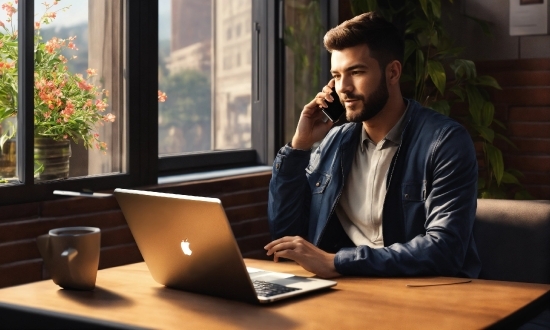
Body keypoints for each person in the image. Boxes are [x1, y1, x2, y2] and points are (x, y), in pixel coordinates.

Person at [264, 12, 481, 279]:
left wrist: (338, 262)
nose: (343, 88)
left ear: (393, 72)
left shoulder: (445, 142)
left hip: (422, 292)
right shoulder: (333, 142)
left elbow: (445, 249)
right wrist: (299, 147)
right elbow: (286, 236)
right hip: (350, 289)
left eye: (356, 72)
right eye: (336, 75)